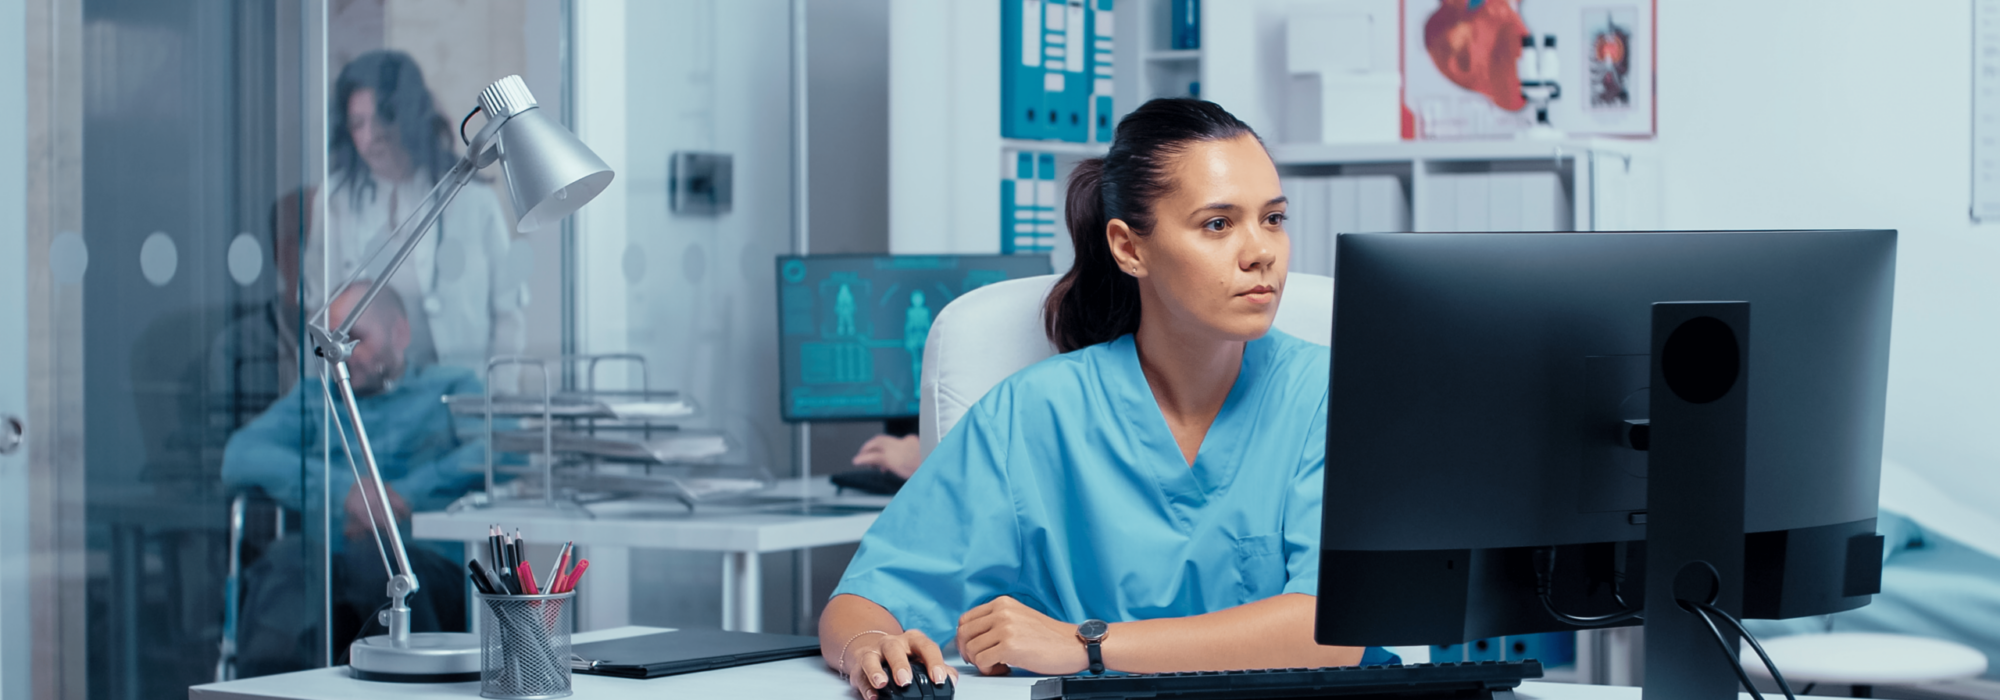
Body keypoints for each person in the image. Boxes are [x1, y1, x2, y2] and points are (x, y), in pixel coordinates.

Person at [819, 98, 1394, 699]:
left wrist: (1083, 645)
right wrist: (871, 649)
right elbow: (863, 601)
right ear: (1129, 247)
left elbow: (1330, 628)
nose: (1262, 252)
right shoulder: (1031, 415)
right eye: (1218, 224)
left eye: (1273, 219)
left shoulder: (1331, 395)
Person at [222, 282, 492, 676]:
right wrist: (343, 491)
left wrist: (405, 494)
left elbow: (499, 448)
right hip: (325, 562)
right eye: (335, 341)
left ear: (399, 334)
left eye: (357, 339)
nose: (342, 355)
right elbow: (240, 455)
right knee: (283, 566)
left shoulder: (449, 389)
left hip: (422, 565)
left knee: (373, 566)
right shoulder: (317, 396)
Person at [304, 50, 524, 381]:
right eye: (357, 123)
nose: (371, 135)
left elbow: (507, 314)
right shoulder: (335, 202)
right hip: (364, 395)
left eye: (383, 117)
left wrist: (494, 402)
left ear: (409, 114)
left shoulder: (471, 199)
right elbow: (319, 313)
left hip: (459, 396)